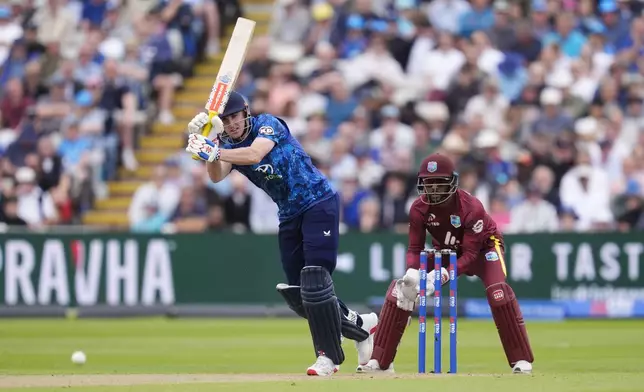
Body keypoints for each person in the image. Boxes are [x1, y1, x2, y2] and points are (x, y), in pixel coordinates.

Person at [185, 91, 378, 376]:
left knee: (314, 278)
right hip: (288, 214)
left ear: (246, 112)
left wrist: (213, 149)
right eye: (225, 120)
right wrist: (209, 142)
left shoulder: (268, 124)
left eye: (235, 116)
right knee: (301, 296)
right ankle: (361, 326)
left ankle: (328, 358)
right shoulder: (226, 143)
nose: (232, 124)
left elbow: (254, 154)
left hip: (318, 201)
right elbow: (216, 175)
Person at [356, 153, 534, 374]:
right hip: (446, 251)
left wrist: (440, 276)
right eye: (428, 184)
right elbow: (414, 249)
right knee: (400, 290)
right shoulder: (418, 208)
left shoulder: (471, 207)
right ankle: (379, 361)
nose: (433, 190)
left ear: (452, 182)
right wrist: (413, 275)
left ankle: (521, 360)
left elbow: (469, 256)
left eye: (439, 184)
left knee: (499, 294)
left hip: (484, 248)